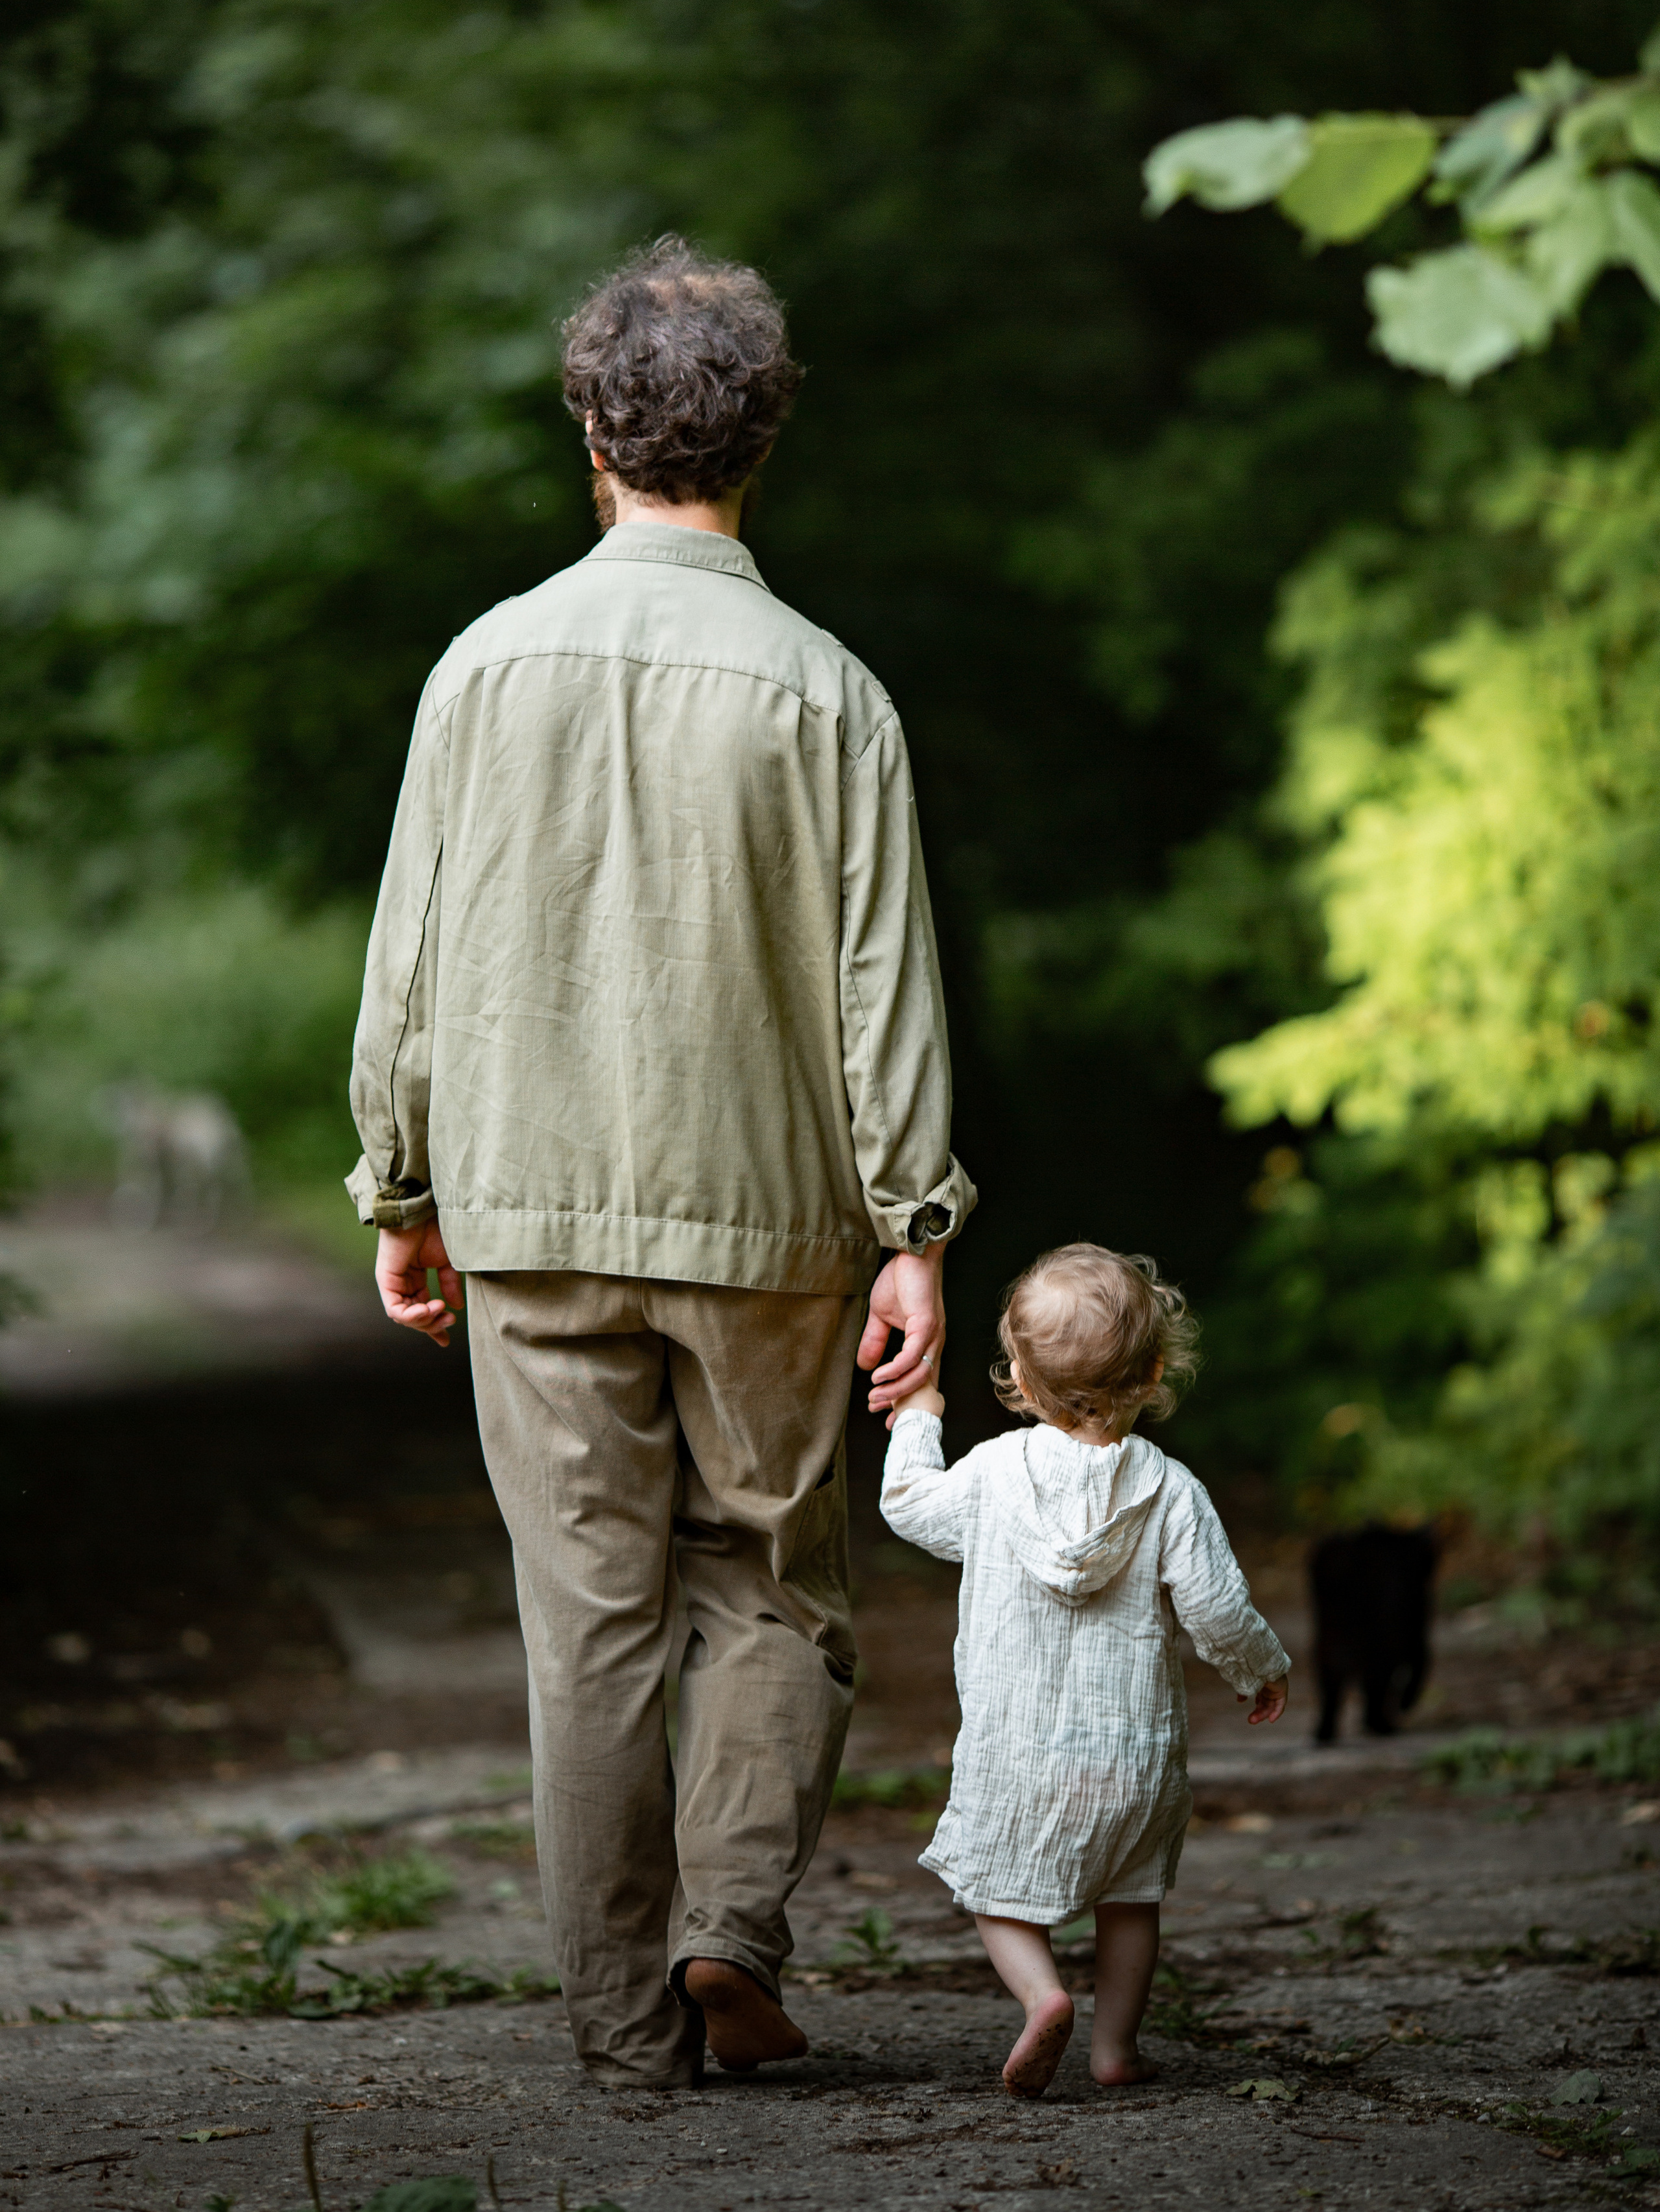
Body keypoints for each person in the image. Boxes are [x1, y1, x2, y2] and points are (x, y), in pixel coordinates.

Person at [346, 237, 975, 2088]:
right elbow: (881, 982)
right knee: (773, 1588)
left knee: (588, 1626)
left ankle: (626, 2037)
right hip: (769, 1220)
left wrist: (401, 1186)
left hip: (527, 1205)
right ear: (762, 439)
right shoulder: (831, 692)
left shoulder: (481, 667)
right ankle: (729, 1928)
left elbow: (410, 961)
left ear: (592, 433)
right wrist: (914, 1223)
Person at [879, 1243, 1288, 2098]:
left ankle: (1042, 1996)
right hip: (1131, 1758)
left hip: (1016, 1754)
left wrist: (918, 1414)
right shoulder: (1171, 1489)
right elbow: (1216, 1606)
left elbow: (910, 1506)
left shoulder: (995, 1475)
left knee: (995, 1889)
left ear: (1022, 1383)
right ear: (1154, 1372)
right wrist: (1258, 1667)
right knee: (1131, 1898)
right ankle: (1115, 2049)